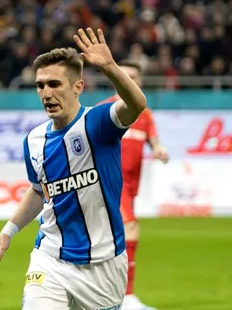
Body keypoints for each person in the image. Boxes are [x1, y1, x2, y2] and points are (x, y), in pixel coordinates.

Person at [0, 28, 148, 310]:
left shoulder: (98, 123)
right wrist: (8, 231)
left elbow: (137, 104)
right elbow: (39, 191)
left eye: (54, 84)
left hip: (104, 262)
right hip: (50, 257)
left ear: (77, 87)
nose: (46, 93)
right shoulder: (34, 141)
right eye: (40, 85)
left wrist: (109, 67)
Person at [98, 60, 168, 310]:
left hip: (131, 186)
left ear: (140, 82)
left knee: (110, 239)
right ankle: (126, 298)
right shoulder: (103, 110)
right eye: (123, 76)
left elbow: (154, 140)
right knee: (130, 231)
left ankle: (102, 296)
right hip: (110, 184)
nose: (129, 81)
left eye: (134, 78)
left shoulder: (144, 113)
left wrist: (159, 150)